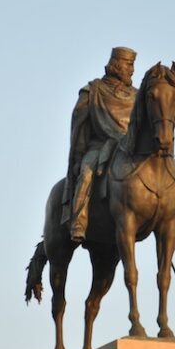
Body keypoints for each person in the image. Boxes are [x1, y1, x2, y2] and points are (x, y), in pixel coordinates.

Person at [61, 47, 137, 243]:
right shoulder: (92, 91)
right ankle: (79, 220)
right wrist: (78, 158)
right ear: (117, 65)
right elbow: (79, 129)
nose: (132, 70)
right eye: (129, 65)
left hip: (130, 149)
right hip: (99, 147)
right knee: (87, 173)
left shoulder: (138, 96)